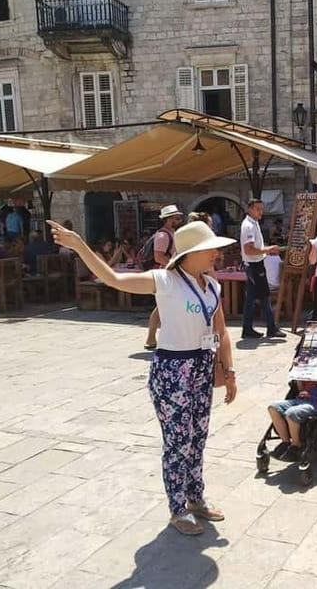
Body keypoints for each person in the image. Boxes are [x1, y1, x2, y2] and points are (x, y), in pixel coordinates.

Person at [48, 219, 238, 535]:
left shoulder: (212, 286)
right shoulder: (164, 280)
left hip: (202, 367)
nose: (216, 255)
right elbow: (113, 279)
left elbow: (222, 331)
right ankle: (178, 509)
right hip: (172, 370)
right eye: (210, 250)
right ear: (191, 253)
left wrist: (229, 371)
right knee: (178, 441)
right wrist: (80, 245)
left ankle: (195, 498)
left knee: (198, 438)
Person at [240, 198, 285, 339]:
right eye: (257, 209)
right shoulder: (249, 226)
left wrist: (266, 250)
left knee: (251, 298)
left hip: (255, 264)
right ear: (249, 209)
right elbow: (249, 250)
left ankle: (247, 328)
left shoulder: (253, 224)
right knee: (264, 296)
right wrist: (268, 249)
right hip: (254, 265)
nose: (261, 212)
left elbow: (255, 248)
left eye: (261, 209)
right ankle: (271, 328)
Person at [145, 205, 183, 350]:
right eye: (176, 218)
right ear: (168, 219)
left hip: (171, 274)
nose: (179, 220)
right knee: (161, 306)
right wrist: (174, 266)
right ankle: (151, 338)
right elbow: (158, 257)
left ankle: (153, 338)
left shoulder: (171, 233)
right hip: (167, 274)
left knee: (164, 306)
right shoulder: (163, 236)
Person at [267, 381, 317, 462]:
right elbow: (300, 389)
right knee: (273, 407)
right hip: (300, 399)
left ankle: (296, 445)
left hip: (316, 403)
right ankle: (285, 443)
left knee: (291, 413)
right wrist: (299, 378)